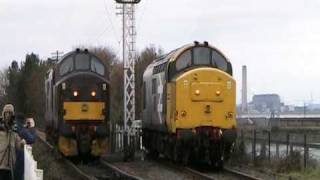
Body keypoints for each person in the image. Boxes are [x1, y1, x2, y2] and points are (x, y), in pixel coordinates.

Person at [0, 104, 24, 180]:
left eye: (9, 113)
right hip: (1, 164)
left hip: (10, 166)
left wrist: (22, 143)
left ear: (12, 115)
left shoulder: (14, 131)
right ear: (3, 114)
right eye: (6, 113)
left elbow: (18, 146)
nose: (7, 115)